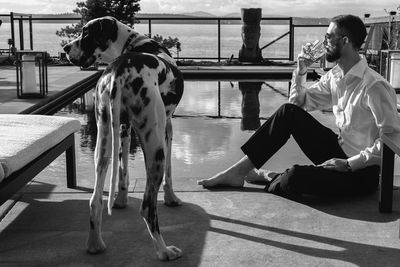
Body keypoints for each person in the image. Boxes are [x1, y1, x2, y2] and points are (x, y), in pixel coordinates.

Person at [198, 14, 400, 199]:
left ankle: (271, 176)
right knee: (288, 113)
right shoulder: (336, 76)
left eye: (328, 36)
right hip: (338, 150)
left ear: (345, 41)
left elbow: (391, 142)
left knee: (293, 178)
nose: (324, 42)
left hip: (360, 171)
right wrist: (301, 70)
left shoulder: (374, 86)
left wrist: (348, 164)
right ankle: (239, 171)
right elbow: (297, 105)